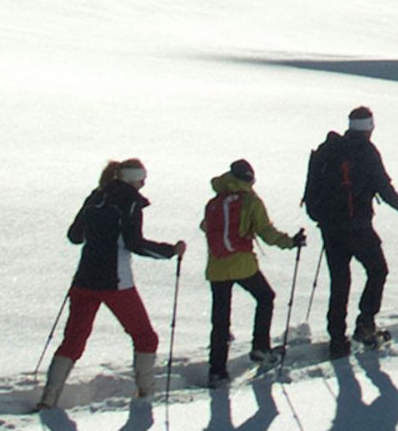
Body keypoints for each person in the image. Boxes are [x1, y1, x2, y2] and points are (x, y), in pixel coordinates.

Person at [37, 159, 184, 410]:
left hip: (84, 279)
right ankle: (145, 393)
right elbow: (134, 243)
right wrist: (171, 251)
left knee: (73, 339)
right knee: (145, 337)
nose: (144, 183)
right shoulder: (130, 202)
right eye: (142, 178)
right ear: (132, 179)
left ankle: (49, 397)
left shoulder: (95, 197)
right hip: (116, 282)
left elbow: (75, 236)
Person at [303, 106, 398, 358]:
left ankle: (337, 340)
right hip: (357, 226)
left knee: (340, 281)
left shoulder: (329, 149)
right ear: (370, 127)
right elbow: (385, 190)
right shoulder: (367, 152)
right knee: (378, 270)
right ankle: (365, 324)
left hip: (329, 226)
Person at [201, 158, 305, 386]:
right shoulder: (250, 201)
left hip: (217, 267)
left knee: (220, 320)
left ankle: (216, 371)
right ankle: (260, 347)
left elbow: (205, 227)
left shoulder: (215, 201)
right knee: (265, 297)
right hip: (242, 264)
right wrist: (291, 242)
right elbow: (266, 233)